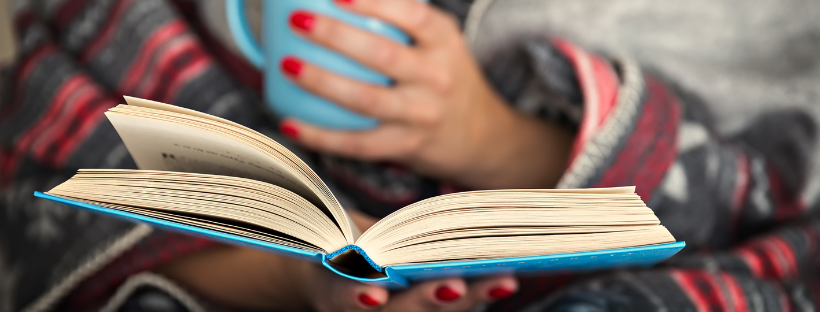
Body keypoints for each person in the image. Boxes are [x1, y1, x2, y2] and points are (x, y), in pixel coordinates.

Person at [1, 0, 818, 311]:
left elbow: (779, 180)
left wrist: (488, 135)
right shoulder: (118, 29)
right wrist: (300, 274)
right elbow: (48, 209)